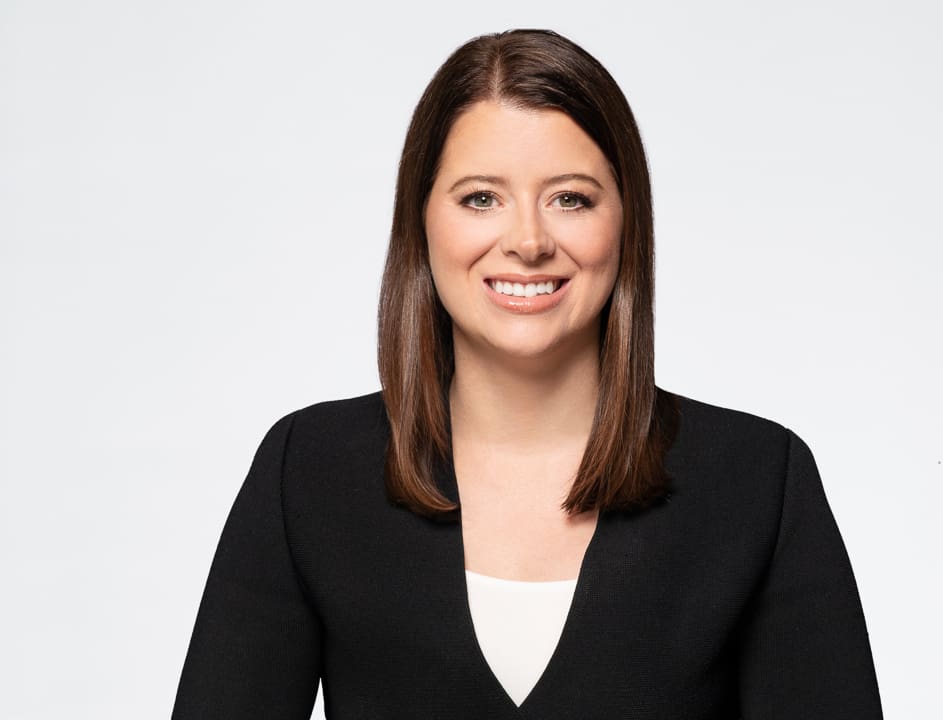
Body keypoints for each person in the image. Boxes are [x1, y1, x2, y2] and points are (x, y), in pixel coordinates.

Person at [171, 29, 883, 719]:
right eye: (481, 197)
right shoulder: (311, 473)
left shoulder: (757, 481)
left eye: (570, 198)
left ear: (625, 222)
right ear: (421, 221)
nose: (529, 241)